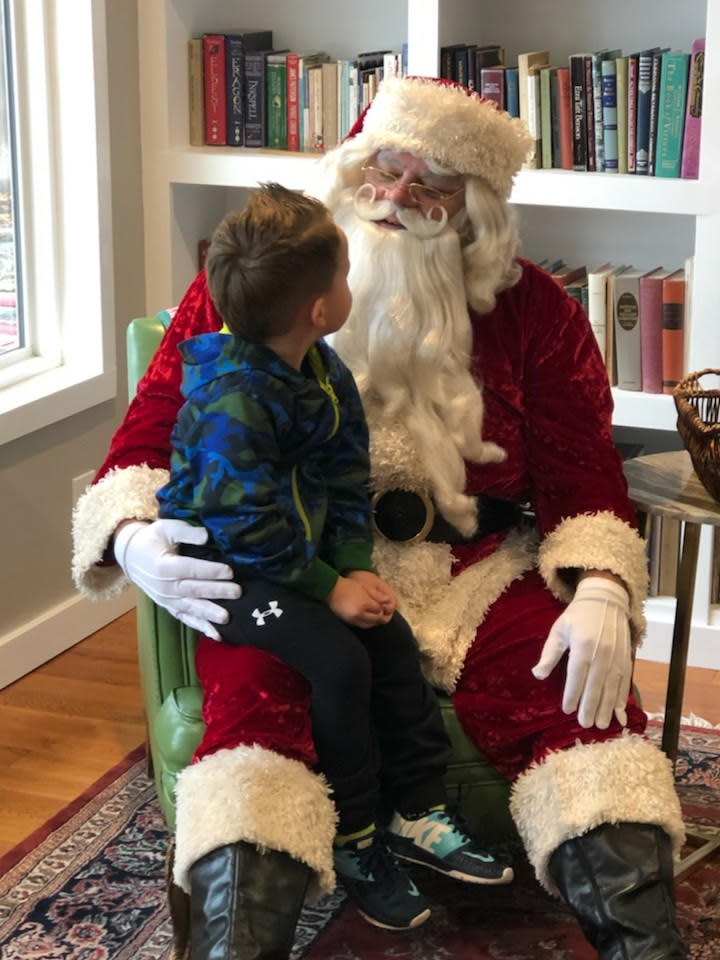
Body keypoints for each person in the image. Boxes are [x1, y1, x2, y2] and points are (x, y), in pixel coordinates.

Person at [72, 75, 687, 959]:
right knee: (256, 717)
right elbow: (150, 431)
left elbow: (584, 474)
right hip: (289, 564)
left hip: (474, 572)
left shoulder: (539, 316)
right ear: (353, 166)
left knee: (580, 708)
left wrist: (601, 584)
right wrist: (134, 538)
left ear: (473, 207)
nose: (397, 199)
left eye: (431, 183)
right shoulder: (263, 286)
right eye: (385, 169)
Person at [153, 182, 512, 942]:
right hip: (235, 576)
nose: (353, 288)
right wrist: (327, 590)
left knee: (389, 636)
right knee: (340, 664)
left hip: (306, 561)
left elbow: (347, 477)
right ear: (320, 308)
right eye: (344, 278)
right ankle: (354, 841)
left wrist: (354, 567)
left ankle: (418, 809)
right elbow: (245, 528)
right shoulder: (231, 400)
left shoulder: (322, 371)